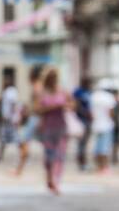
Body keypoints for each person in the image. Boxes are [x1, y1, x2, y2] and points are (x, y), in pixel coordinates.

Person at [35, 66, 72, 194]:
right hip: (47, 128)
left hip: (61, 127)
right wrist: (52, 107)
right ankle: (49, 177)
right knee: (49, 157)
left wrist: (66, 105)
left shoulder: (62, 91)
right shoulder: (41, 92)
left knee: (59, 156)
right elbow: (37, 110)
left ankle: (56, 181)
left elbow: (73, 105)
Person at [16, 63, 45, 175]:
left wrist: (28, 112)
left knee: (23, 141)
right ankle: (20, 168)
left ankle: (20, 169)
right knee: (24, 142)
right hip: (36, 118)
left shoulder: (37, 86)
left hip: (35, 119)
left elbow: (38, 105)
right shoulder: (39, 86)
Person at [89, 82, 117, 173]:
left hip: (96, 124)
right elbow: (111, 113)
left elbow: (91, 113)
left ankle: (98, 167)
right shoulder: (109, 97)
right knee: (105, 148)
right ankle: (104, 167)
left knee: (97, 147)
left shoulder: (93, 96)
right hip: (106, 125)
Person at [0, 70, 21, 163]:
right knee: (3, 137)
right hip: (6, 118)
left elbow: (13, 105)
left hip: (10, 119)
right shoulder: (6, 91)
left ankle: (23, 154)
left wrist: (10, 116)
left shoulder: (12, 91)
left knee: (16, 138)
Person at [72, 75, 93, 170]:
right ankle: (81, 162)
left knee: (85, 142)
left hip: (88, 120)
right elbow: (75, 104)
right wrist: (84, 113)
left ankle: (83, 161)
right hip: (80, 120)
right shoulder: (78, 91)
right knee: (81, 143)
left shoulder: (89, 92)